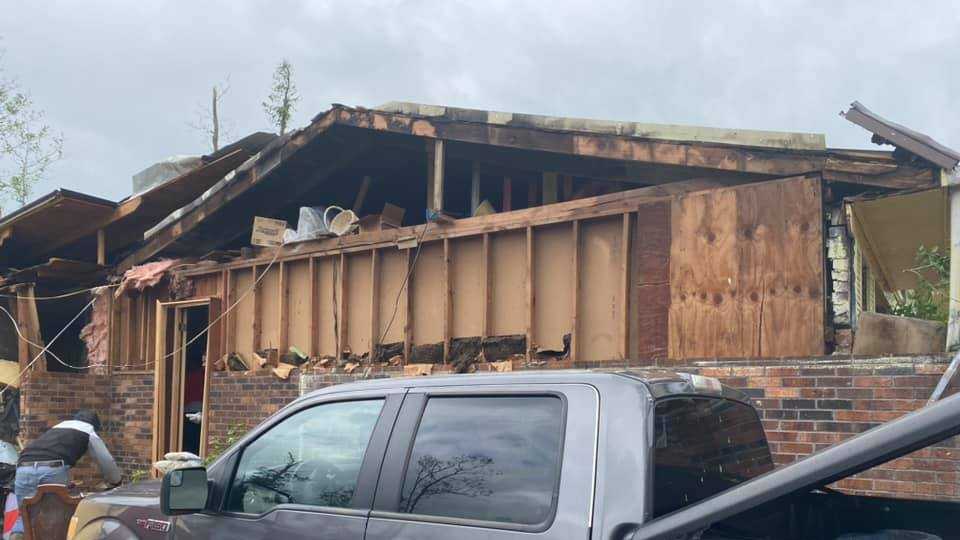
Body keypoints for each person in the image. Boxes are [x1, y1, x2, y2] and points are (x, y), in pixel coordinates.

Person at [10, 410, 121, 539]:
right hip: (52, 469)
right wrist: (115, 481)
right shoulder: (88, 429)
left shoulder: (58, 427)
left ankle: (16, 536)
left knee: (25, 515)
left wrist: (66, 482)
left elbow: (49, 453)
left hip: (23, 468)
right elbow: (106, 460)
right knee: (55, 519)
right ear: (94, 425)